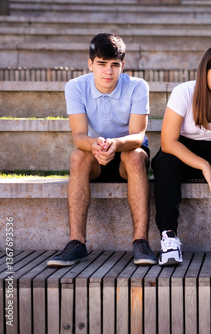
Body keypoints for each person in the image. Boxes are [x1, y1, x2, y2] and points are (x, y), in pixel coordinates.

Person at [47, 33, 157, 266]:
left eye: (114, 65)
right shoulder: (76, 87)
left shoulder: (138, 86)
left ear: (122, 66)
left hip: (127, 157)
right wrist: (97, 145)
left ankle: (140, 241)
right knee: (78, 157)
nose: (108, 71)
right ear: (90, 64)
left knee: (135, 155)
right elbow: (79, 137)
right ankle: (76, 242)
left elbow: (138, 136)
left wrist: (115, 144)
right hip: (95, 156)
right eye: (102, 64)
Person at [152, 45, 211, 265]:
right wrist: (203, 165)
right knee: (164, 163)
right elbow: (167, 142)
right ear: (204, 73)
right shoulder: (183, 92)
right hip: (183, 147)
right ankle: (169, 237)